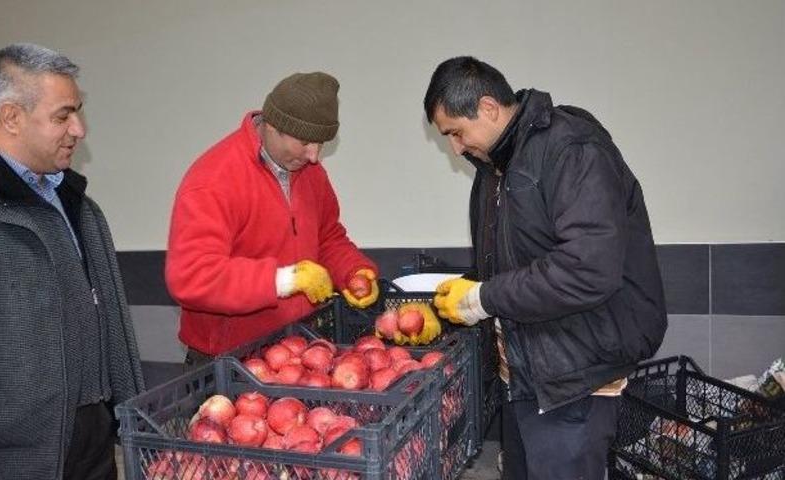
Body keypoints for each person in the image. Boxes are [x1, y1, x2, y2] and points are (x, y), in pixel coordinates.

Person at [425, 56, 667, 479]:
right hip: (525, 377)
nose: (456, 148)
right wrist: (463, 294)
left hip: (574, 379)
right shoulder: (494, 170)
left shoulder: (571, 149)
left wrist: (483, 298)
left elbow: (587, 269)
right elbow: (515, 264)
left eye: (456, 133)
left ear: (487, 108)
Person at [0, 43, 144, 480]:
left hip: (94, 441)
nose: (79, 129)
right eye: (63, 116)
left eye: (78, 112)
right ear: (11, 117)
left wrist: (131, 420)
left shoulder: (78, 204)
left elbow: (113, 325)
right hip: (9, 459)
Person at [166, 71, 381, 362]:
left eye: (321, 143)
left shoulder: (311, 173)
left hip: (296, 349)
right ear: (273, 125)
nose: (314, 155)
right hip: (227, 362)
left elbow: (328, 237)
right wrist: (283, 280)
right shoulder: (214, 179)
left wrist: (353, 270)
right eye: (305, 141)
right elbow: (192, 276)